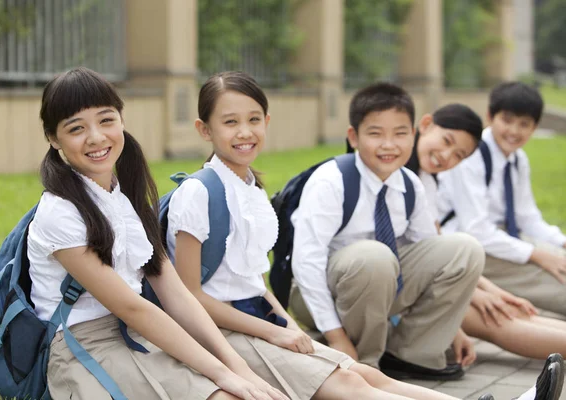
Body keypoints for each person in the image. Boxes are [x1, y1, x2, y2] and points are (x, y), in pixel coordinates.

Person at [165, 70, 522, 400]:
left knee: (369, 375)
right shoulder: (199, 192)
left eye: (254, 120)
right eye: (230, 122)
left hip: (258, 318)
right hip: (219, 330)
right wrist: (276, 332)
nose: (245, 132)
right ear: (204, 129)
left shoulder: (250, 188)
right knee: (351, 383)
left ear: (267, 122)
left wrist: (288, 326)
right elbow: (190, 295)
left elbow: (252, 284)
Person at [29, 67, 289, 400]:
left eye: (106, 120)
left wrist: (237, 367)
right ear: (54, 138)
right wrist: (226, 376)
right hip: (83, 347)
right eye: (76, 128)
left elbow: (175, 293)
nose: (96, 137)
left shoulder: (126, 196)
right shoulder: (60, 212)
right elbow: (132, 307)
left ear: (121, 120)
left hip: (138, 335)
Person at [288, 82, 483, 381]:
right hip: (319, 290)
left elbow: (430, 255)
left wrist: (451, 327)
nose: (389, 145)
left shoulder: (408, 185)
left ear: (414, 133)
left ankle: (410, 353)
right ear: (353, 137)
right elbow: (306, 263)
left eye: (400, 133)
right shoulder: (332, 180)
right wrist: (337, 336)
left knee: (464, 250)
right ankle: (364, 365)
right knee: (374, 256)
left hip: (381, 284)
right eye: (376, 133)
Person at [407, 103, 566, 362]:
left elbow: (430, 248)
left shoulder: (426, 180)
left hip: (451, 265)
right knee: (499, 318)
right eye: (508, 120)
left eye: (458, 154)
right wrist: (473, 292)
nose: (447, 156)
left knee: (509, 309)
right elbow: (449, 245)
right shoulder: (402, 179)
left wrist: (492, 290)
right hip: (441, 269)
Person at [436, 82, 566, 318]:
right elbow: (477, 231)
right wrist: (537, 255)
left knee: (558, 259)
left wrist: (561, 242)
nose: (514, 131)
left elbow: (527, 218)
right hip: (469, 249)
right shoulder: (470, 156)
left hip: (503, 239)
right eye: (507, 120)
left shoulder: (518, 160)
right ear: (490, 116)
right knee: (554, 279)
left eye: (524, 124)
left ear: (534, 127)